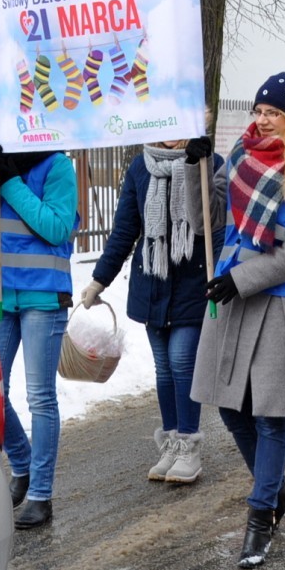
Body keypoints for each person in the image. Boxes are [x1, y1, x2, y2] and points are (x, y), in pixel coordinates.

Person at [193, 73, 285, 568]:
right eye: (258, 110)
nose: (261, 120)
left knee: (271, 415)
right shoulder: (238, 155)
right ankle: (277, 492)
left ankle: (261, 519)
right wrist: (196, 164)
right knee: (230, 408)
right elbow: (209, 221)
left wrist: (246, 275)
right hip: (232, 291)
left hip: (284, 299)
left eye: (272, 113)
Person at [0, 95, 80, 530]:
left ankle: (41, 493)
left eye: (1, 121)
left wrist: (10, 184)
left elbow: (57, 227)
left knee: (40, 397)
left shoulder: (57, 165)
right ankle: (21, 465)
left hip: (43, 298)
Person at [80, 129, 221, 486]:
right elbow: (125, 230)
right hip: (152, 283)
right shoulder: (140, 168)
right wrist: (100, 280)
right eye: (166, 129)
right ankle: (172, 443)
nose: (173, 137)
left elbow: (215, 225)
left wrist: (197, 166)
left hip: (194, 281)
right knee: (163, 369)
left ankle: (189, 445)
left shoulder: (209, 163)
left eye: (181, 129)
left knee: (181, 361)